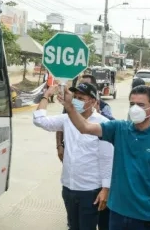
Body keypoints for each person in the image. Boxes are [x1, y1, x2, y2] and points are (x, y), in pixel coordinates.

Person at [60, 85, 150, 230]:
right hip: (117, 212)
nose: (135, 109)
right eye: (132, 104)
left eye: (141, 105)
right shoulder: (119, 128)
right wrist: (70, 107)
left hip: (146, 216)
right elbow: (85, 127)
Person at [34, 82, 113, 230]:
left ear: (93, 101)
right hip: (69, 187)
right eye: (74, 97)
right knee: (73, 226)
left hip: (90, 191)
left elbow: (107, 159)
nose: (76, 101)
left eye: (81, 98)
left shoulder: (103, 124)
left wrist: (105, 189)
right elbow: (39, 120)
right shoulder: (66, 119)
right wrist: (46, 95)